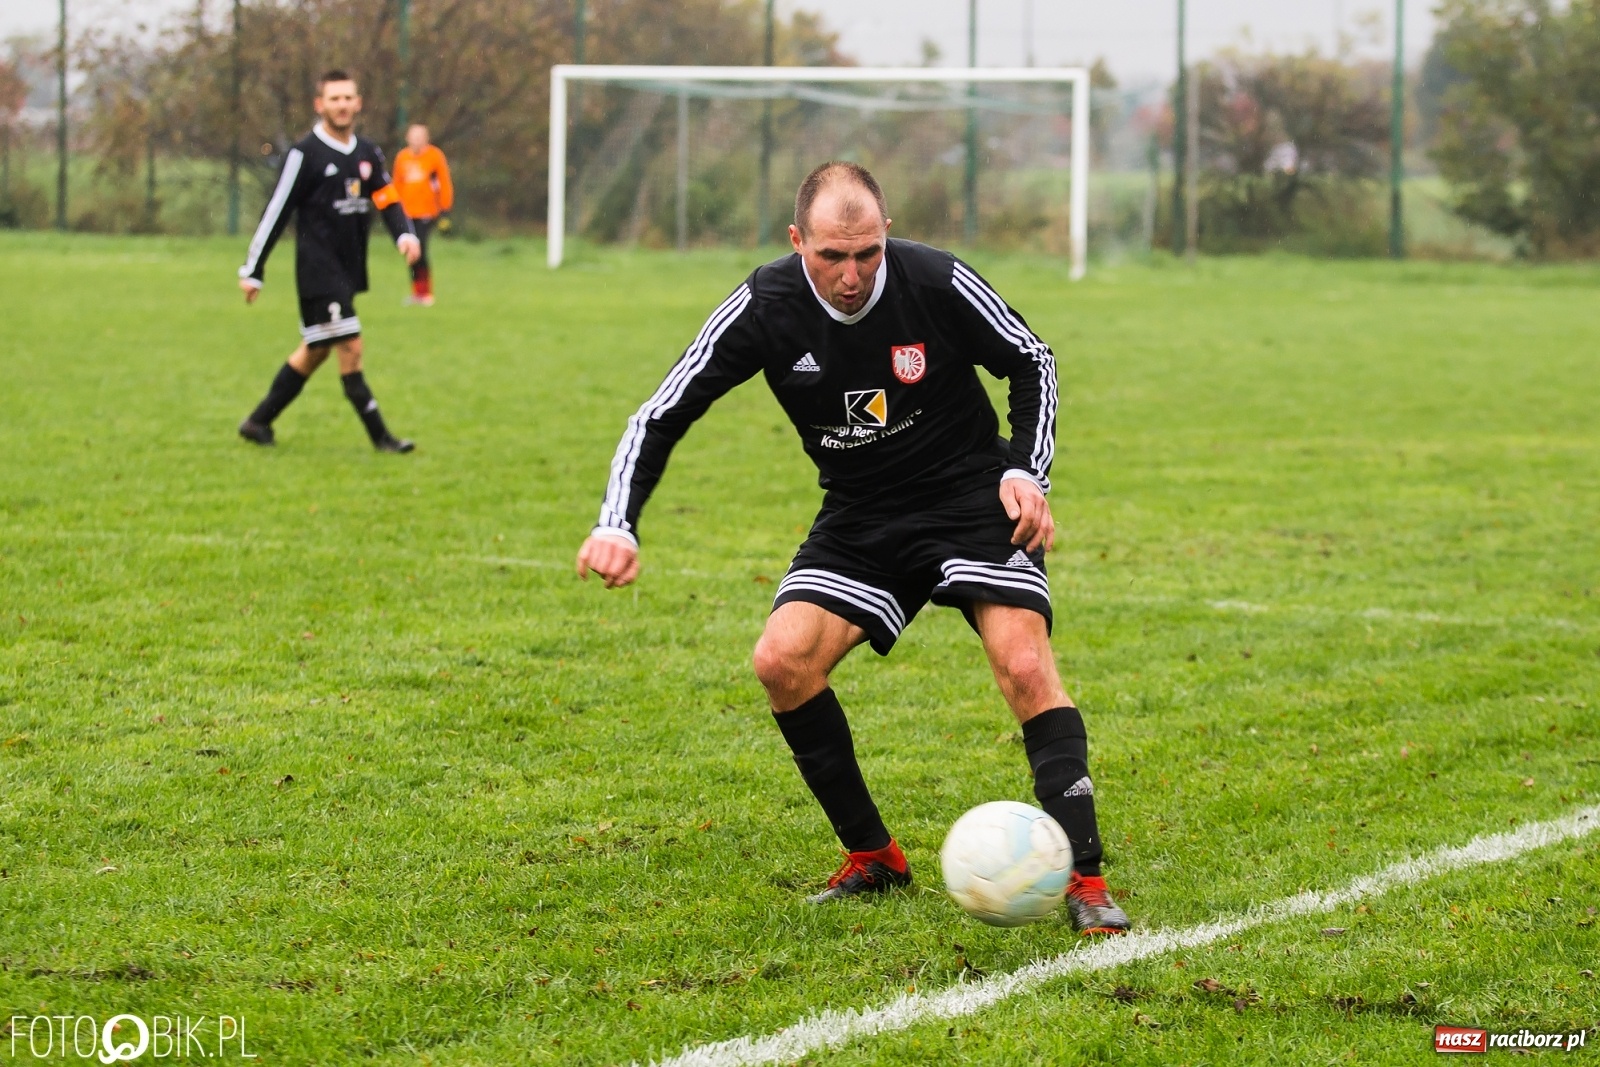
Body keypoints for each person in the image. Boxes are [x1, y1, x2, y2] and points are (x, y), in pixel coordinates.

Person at [574, 161, 1131, 935]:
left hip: (971, 495)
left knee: (1026, 664)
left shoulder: (934, 281)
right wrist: (616, 521)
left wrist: (1025, 472)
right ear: (798, 240)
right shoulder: (764, 303)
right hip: (863, 512)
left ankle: (1088, 877)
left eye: (867, 252)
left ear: (886, 233)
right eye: (832, 256)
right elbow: (663, 411)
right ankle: (874, 856)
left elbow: (1031, 358)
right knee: (781, 660)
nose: (851, 274)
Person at [236, 69, 421, 452]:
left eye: (347, 98)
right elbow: (277, 211)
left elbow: (386, 196)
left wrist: (404, 233)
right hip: (318, 269)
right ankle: (382, 438)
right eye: (334, 99)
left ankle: (258, 421)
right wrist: (253, 270)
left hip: (349, 267)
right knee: (351, 346)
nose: (342, 105)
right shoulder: (305, 154)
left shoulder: (368, 152)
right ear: (320, 105)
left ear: (358, 103)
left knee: (316, 349)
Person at [392, 123, 454, 306]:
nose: (417, 140)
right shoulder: (402, 158)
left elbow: (443, 182)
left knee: (421, 250)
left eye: (420, 137)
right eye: (413, 136)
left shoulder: (434, 157)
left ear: (426, 139)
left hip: (427, 212)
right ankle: (416, 292)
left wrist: (445, 208)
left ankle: (425, 293)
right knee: (411, 252)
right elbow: (397, 185)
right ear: (407, 138)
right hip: (406, 212)